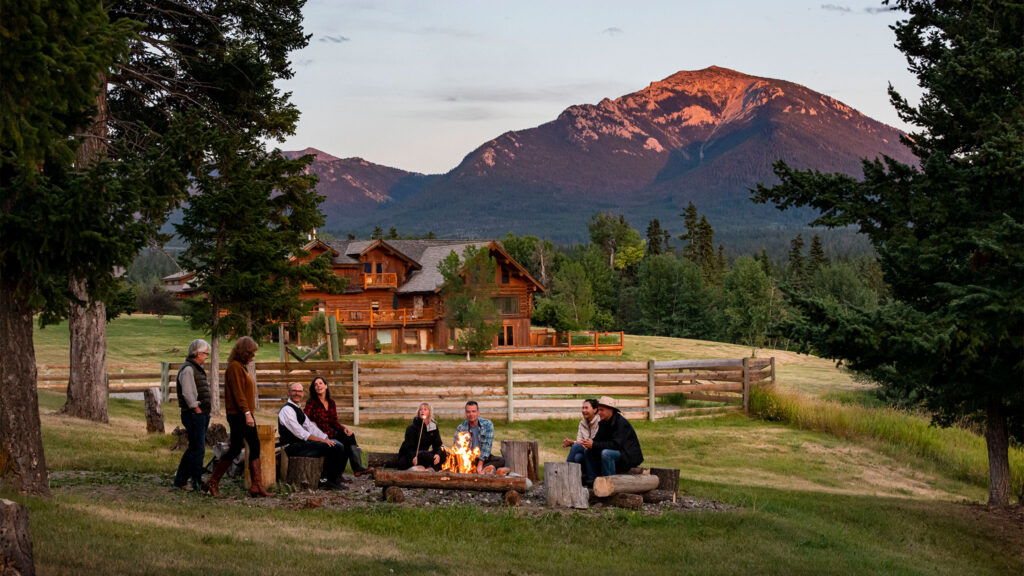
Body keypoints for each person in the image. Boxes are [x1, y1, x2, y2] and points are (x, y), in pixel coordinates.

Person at [204, 336, 271, 498]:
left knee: (249, 446)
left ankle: (256, 485)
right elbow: (238, 393)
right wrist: (247, 414)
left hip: (244, 413)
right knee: (241, 447)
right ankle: (213, 482)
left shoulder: (241, 367)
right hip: (239, 414)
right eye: (251, 353)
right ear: (243, 352)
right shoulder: (234, 367)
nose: (253, 356)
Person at [279, 383, 349, 490]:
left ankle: (333, 479)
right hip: (293, 448)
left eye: (299, 391)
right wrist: (323, 441)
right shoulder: (287, 411)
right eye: (294, 391)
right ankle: (326, 481)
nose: (297, 394)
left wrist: (326, 438)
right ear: (289, 393)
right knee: (333, 447)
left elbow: (310, 427)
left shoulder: (298, 409)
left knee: (337, 444)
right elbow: (301, 434)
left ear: (303, 394)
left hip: (302, 444)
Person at [303, 376, 374, 479]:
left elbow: (334, 421)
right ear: (314, 389)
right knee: (342, 444)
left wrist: (344, 428)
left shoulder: (331, 402)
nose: (318, 386)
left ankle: (357, 467)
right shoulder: (311, 402)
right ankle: (339, 475)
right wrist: (312, 424)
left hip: (332, 433)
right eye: (315, 384)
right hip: (321, 435)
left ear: (326, 386)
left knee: (349, 436)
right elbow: (305, 418)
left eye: (320, 383)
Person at [173, 339, 211, 492]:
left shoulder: (195, 368)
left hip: (200, 414)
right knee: (198, 449)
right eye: (205, 353)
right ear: (197, 354)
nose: (207, 357)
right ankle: (196, 480)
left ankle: (181, 480)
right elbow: (188, 393)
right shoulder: (188, 369)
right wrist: (196, 409)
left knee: (194, 448)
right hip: (194, 414)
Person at [582, 396, 644, 481]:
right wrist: (589, 444)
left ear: (610, 410)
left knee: (606, 453)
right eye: (598, 410)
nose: (598, 413)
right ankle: (594, 482)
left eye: (601, 410)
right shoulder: (603, 423)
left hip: (628, 456)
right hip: (616, 452)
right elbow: (597, 440)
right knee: (588, 451)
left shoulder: (621, 423)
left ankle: (610, 483)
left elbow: (615, 445)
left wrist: (594, 444)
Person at [455, 401, 504, 474]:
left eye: (473, 411)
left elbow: (487, 446)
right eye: (468, 412)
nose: (471, 414)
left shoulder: (487, 424)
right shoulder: (461, 428)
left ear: (478, 412)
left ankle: (480, 469)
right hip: (469, 459)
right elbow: (458, 448)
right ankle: (482, 470)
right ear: (466, 413)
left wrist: (480, 464)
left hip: (483, 457)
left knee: (501, 460)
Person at [398, 403, 446, 471]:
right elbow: (409, 447)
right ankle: (422, 468)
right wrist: (413, 457)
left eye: (425, 409)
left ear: (429, 412)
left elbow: (437, 445)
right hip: (410, 456)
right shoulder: (412, 428)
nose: (422, 411)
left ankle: (430, 468)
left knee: (443, 453)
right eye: (420, 409)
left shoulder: (433, 426)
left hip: (424, 455)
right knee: (424, 455)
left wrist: (438, 454)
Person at [562, 398, 600, 482]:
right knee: (578, 457)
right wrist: (574, 443)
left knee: (575, 447)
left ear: (595, 410)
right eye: (582, 408)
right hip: (586, 450)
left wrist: (573, 443)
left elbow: (593, 442)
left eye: (586, 408)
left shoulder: (599, 422)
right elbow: (579, 440)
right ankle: (584, 479)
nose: (583, 410)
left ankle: (565, 475)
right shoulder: (582, 423)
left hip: (597, 450)